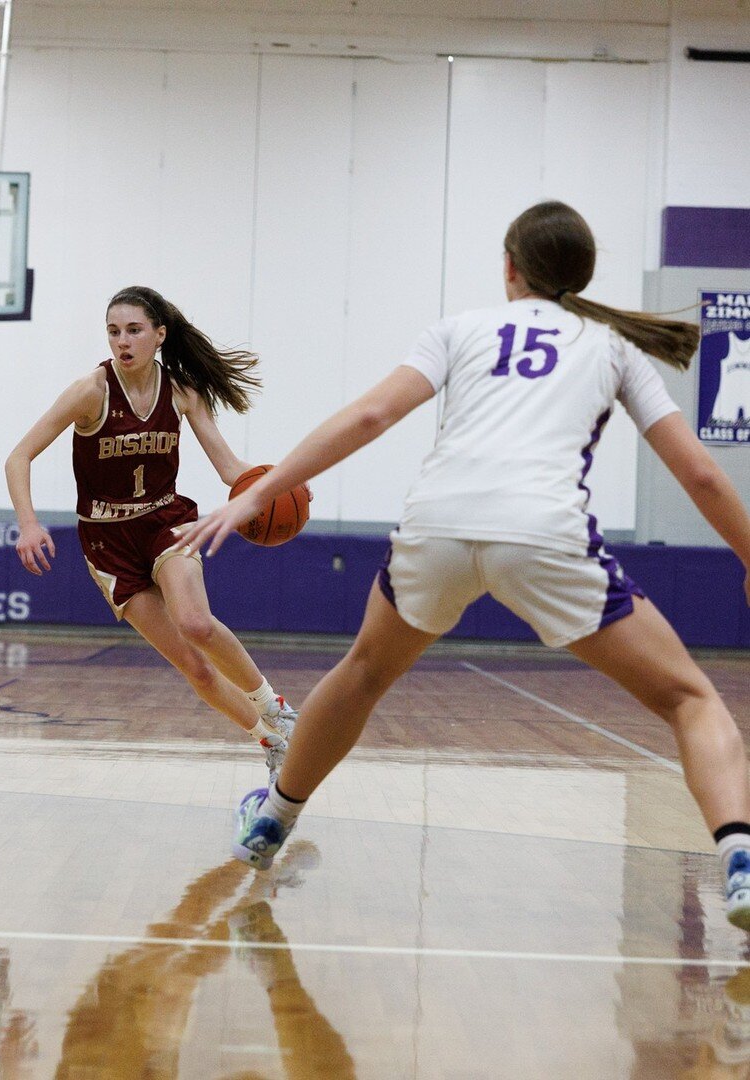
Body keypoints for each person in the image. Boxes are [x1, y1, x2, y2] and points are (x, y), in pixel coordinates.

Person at [175, 201, 750, 931]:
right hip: (544, 534)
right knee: (690, 700)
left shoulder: (460, 330)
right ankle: (739, 858)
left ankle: (273, 822)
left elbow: (369, 418)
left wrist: (257, 490)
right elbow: (699, 474)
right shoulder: (613, 349)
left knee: (361, 674)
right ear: (581, 275)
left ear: (509, 267)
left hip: (438, 526)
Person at [5, 286, 298, 779]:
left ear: (159, 335)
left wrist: (283, 480)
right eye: (114, 331)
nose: (123, 341)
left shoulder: (182, 391)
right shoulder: (89, 392)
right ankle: (272, 743)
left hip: (166, 523)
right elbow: (19, 456)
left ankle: (274, 705)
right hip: (107, 542)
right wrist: (28, 524)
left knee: (196, 624)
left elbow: (230, 470)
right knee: (197, 669)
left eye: (134, 330)